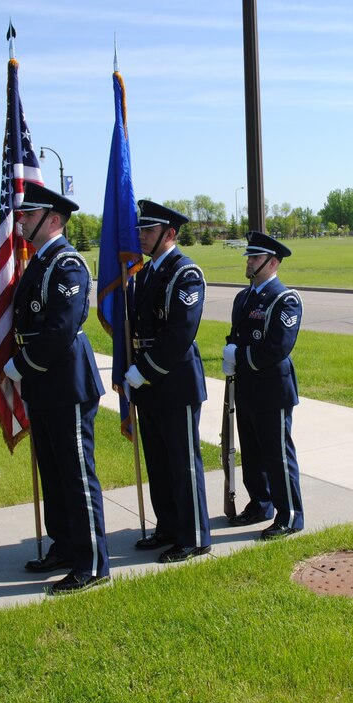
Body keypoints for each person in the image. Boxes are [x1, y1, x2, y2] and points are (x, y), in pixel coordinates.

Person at [3, 181, 110, 594]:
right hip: (44, 384)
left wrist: (22, 365)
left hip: (66, 382)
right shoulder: (40, 262)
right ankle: (65, 545)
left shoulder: (67, 264)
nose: (21, 220)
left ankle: (93, 562)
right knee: (53, 471)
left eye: (28, 215)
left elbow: (61, 327)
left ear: (52, 219)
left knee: (77, 473)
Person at [124, 200, 211, 563]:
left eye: (149, 230)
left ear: (169, 234)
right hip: (149, 382)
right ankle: (168, 526)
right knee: (158, 460)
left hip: (173, 379)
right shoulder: (144, 274)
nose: (141, 235)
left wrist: (143, 370)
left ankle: (193, 537)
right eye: (141, 229)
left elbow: (179, 333)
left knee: (181, 461)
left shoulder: (185, 273)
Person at [222, 231, 305, 539]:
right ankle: (261, 503)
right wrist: (232, 352)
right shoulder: (244, 297)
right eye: (248, 256)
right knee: (253, 453)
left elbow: (276, 348)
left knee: (277, 453)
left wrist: (239, 356)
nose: (249, 262)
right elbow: (238, 336)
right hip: (247, 387)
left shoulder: (285, 299)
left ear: (272, 262)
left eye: (254, 258)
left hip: (272, 389)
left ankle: (290, 515)